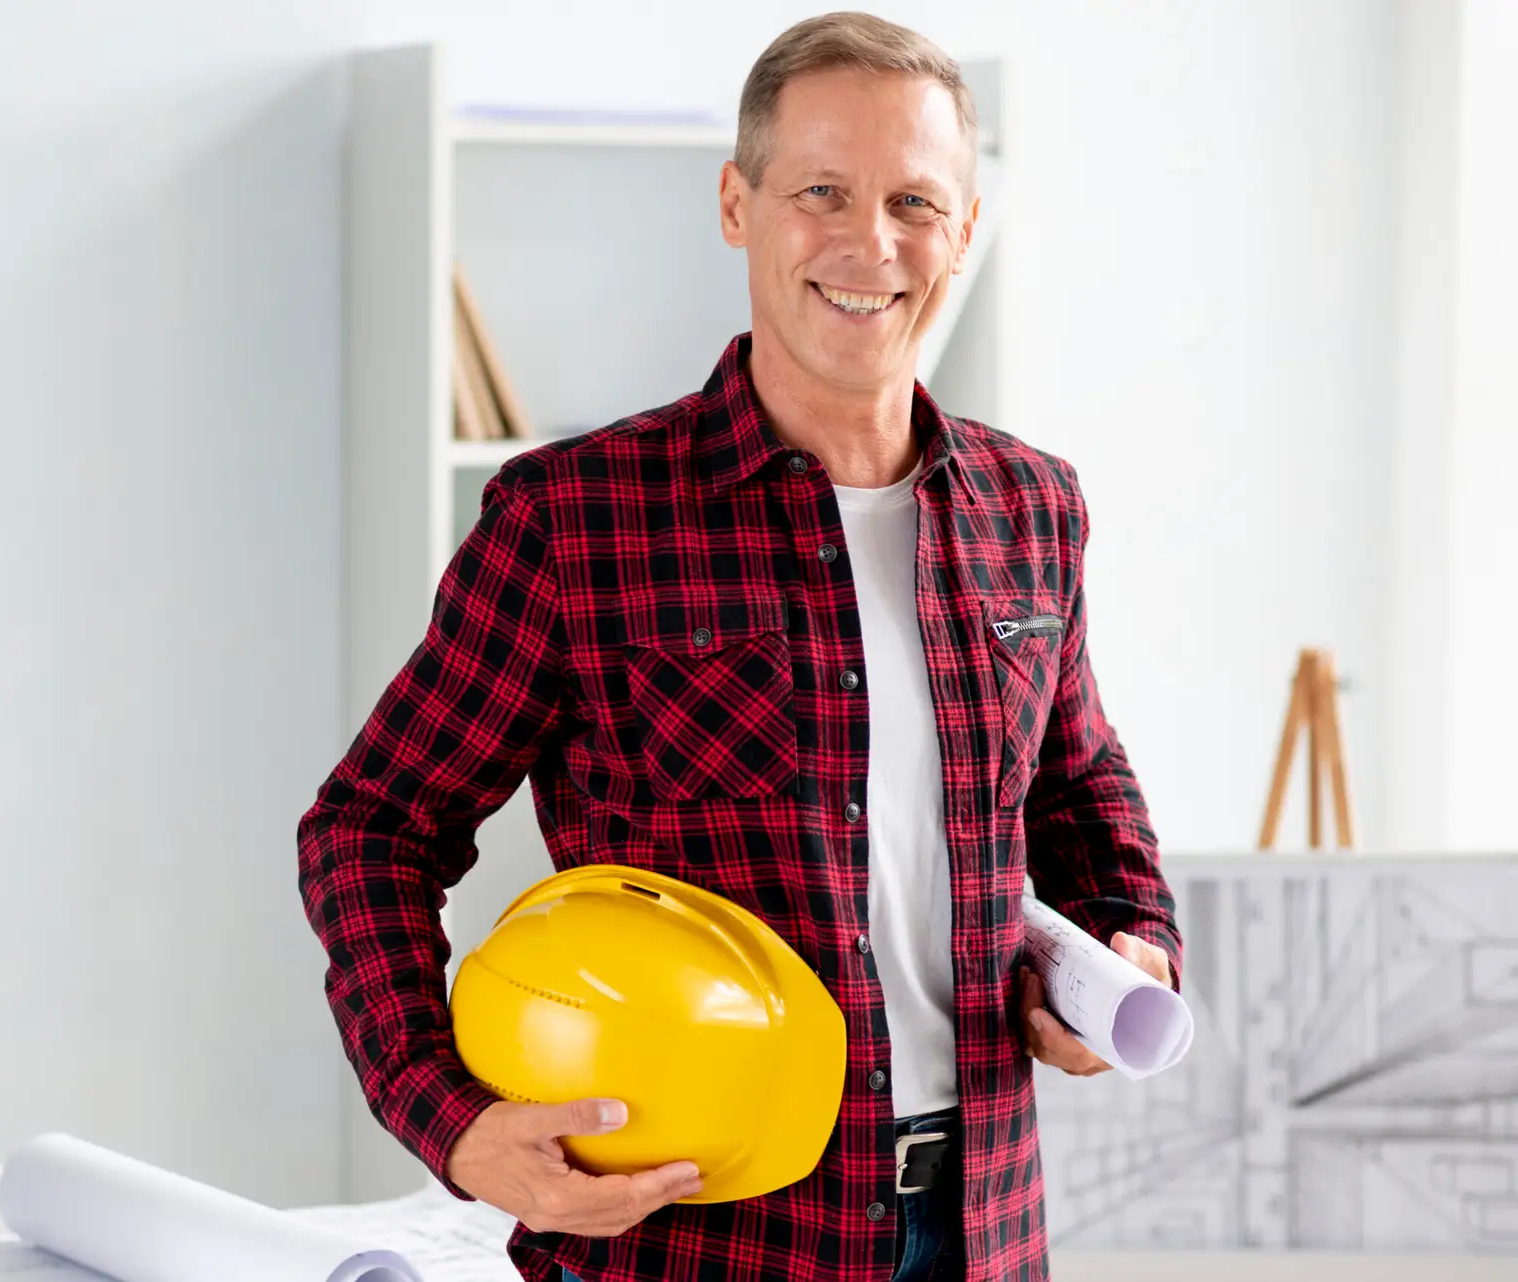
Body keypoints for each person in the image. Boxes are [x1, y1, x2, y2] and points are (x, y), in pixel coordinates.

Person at [298, 11, 1180, 1281]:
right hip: (692, 1244)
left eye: (915, 201)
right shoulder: (577, 518)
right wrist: (456, 1124)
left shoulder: (1033, 508)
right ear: (737, 203)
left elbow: (1080, 781)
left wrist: (1132, 931)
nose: (869, 243)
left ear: (967, 231)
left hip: (985, 1226)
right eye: (821, 190)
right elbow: (371, 826)